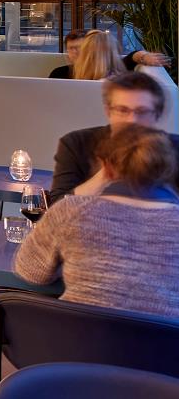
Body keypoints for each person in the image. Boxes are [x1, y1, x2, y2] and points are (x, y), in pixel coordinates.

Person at [15, 124, 179, 317]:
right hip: (159, 337)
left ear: (105, 168)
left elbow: (30, 270)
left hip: (75, 333)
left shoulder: (69, 210)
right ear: (167, 170)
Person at [49, 72, 179, 203]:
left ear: (158, 114)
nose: (132, 120)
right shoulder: (76, 143)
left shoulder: (175, 148)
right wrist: (105, 176)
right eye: (122, 110)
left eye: (142, 111)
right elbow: (56, 205)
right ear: (108, 111)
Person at [48, 28, 170, 80]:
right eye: (71, 48)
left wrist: (144, 56)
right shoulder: (58, 73)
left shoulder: (112, 68)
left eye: (80, 48)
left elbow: (132, 56)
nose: (76, 52)